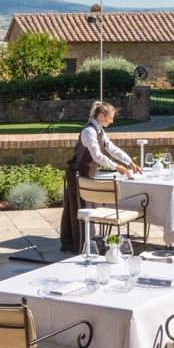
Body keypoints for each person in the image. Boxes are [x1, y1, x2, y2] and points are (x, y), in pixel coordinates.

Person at [59, 101, 137, 253]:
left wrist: (129, 162)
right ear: (101, 116)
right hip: (76, 175)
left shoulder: (100, 131)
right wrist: (116, 167)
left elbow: (112, 149)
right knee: (79, 210)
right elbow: (97, 155)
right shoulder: (88, 132)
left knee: (82, 208)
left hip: (86, 175)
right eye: (110, 118)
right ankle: (79, 245)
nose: (112, 121)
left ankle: (81, 243)